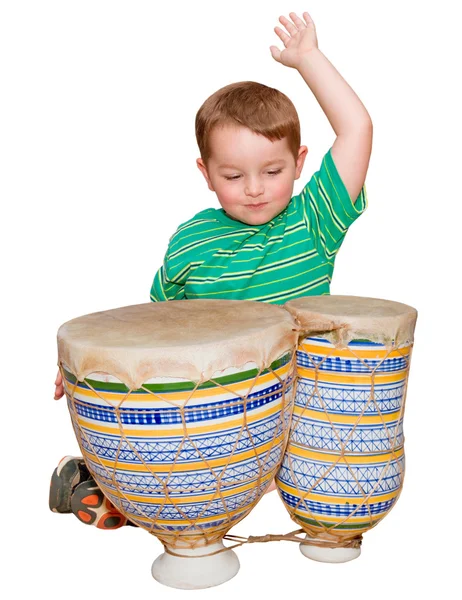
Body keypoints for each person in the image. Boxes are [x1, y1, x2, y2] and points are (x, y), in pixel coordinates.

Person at [50, 12, 372, 529]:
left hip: (290, 402)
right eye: (232, 174)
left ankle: (117, 493)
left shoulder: (315, 220)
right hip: (208, 408)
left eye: (273, 171)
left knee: (320, 460)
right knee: (177, 457)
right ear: (205, 173)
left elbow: (357, 127)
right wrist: (88, 370)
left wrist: (307, 59)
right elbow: (149, 333)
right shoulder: (191, 242)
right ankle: (115, 484)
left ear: (300, 162)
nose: (255, 188)